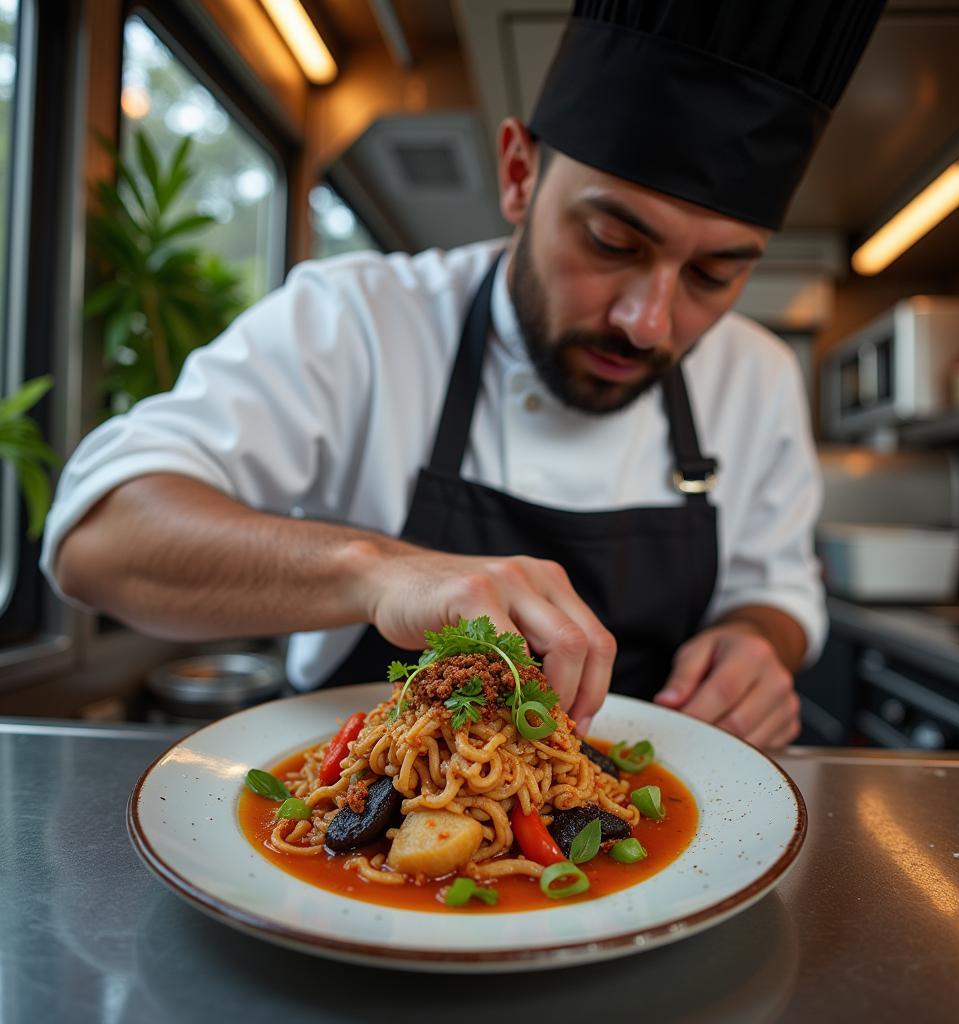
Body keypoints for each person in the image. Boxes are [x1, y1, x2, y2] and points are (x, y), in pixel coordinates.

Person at [43, 0, 885, 749]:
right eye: (612, 243)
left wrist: (758, 642)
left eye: (714, 275)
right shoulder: (357, 320)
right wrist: (374, 569)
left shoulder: (759, 375)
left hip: (639, 814)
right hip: (365, 807)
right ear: (520, 174)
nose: (650, 321)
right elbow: (98, 538)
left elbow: (774, 586)